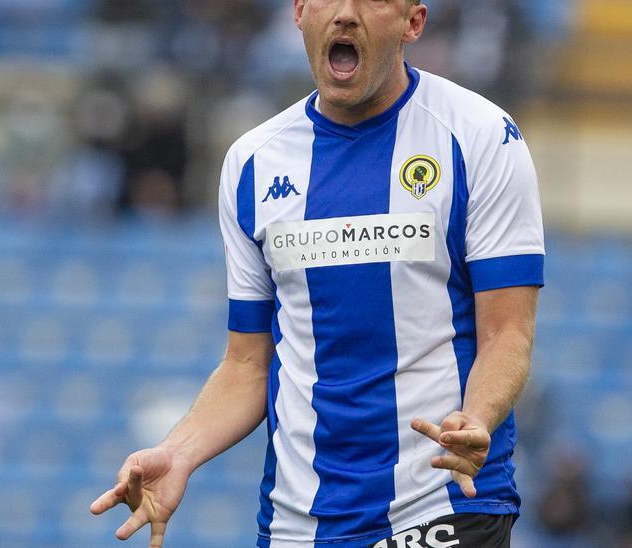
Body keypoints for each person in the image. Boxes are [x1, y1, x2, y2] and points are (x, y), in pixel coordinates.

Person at [92, 0, 544, 546]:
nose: (346, 14)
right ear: (300, 13)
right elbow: (246, 365)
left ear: (413, 23)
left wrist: (478, 416)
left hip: (443, 501)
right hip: (297, 522)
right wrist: (180, 452)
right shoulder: (252, 162)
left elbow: (507, 333)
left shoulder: (481, 136)